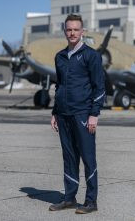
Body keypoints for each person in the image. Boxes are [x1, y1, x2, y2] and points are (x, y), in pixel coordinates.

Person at [49, 14, 105, 214]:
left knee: (88, 158)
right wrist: (55, 112)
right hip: (63, 114)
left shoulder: (92, 56)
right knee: (69, 157)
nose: (72, 33)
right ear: (65, 31)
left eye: (76, 29)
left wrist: (94, 114)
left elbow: (99, 87)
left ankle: (91, 202)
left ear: (83, 32)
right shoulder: (60, 57)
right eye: (69, 29)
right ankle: (69, 198)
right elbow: (59, 86)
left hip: (83, 114)